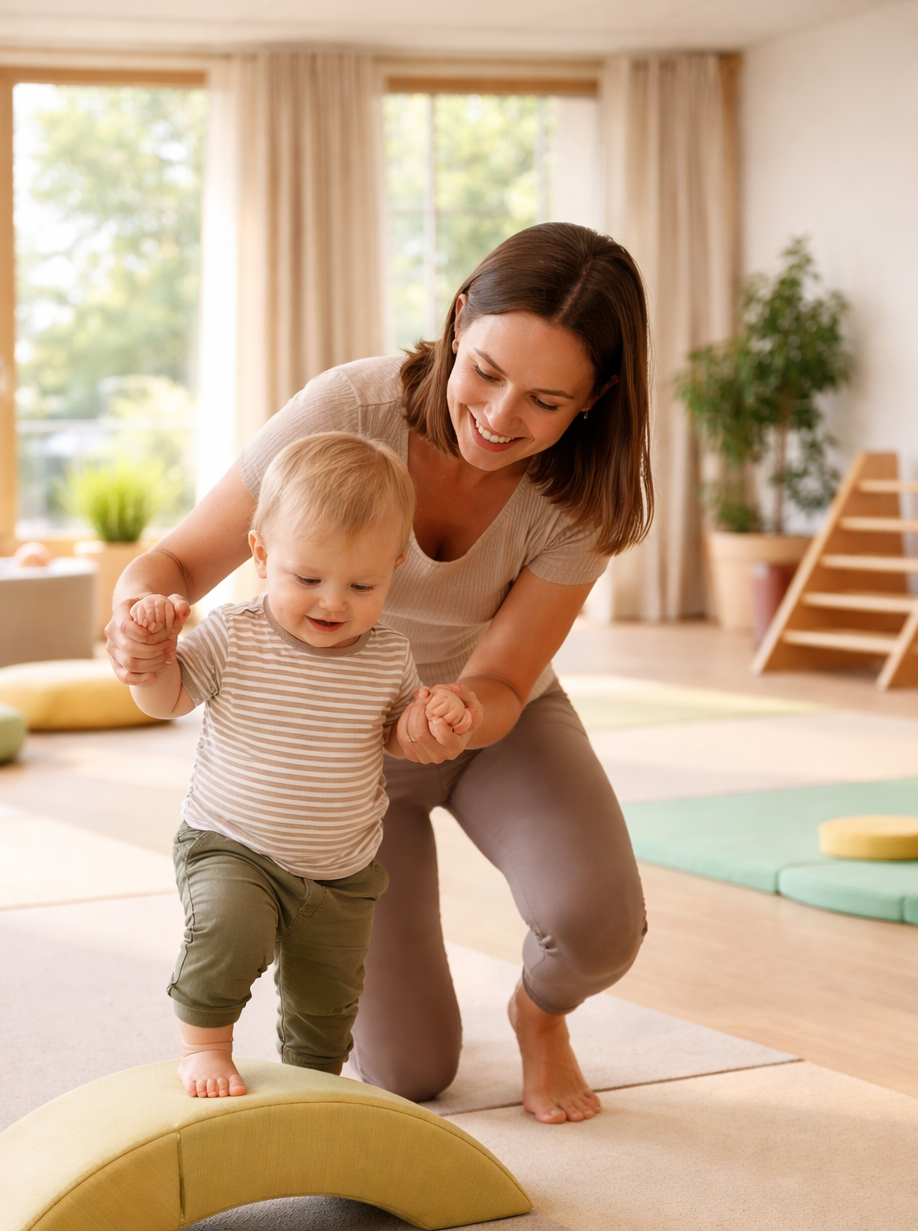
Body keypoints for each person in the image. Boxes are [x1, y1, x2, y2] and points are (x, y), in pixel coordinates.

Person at [108, 222, 652, 1125]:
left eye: (547, 401)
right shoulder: (349, 410)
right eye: (484, 371)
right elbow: (172, 564)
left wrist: (450, 717)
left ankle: (540, 1016)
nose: (501, 416)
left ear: (594, 401)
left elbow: (507, 678)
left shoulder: (583, 494)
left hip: (482, 722)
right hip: (342, 758)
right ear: (456, 319)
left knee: (599, 932)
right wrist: (136, 624)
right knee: (411, 1073)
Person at [127, 431, 472, 1099]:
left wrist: (428, 720)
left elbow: (397, 737)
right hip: (232, 845)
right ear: (261, 555)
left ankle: (311, 1083)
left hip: (342, 869)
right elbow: (165, 699)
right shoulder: (233, 634)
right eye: (307, 578)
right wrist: (151, 654)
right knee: (228, 932)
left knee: (329, 997)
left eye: (362, 583)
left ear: (394, 568)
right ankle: (204, 1047)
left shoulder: (388, 655)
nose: (333, 602)